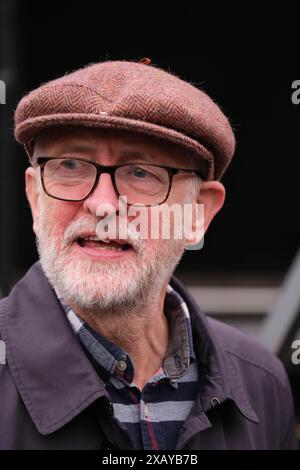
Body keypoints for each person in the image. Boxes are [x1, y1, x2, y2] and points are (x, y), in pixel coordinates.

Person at [0, 60, 297, 450]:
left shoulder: (260, 384)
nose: (103, 205)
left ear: (199, 213)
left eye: (141, 173)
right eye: (69, 165)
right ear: (36, 198)